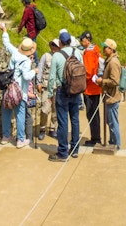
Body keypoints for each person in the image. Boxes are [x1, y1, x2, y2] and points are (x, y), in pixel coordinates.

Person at [47, 31, 84, 162]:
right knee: (75, 120)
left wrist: (50, 94)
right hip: (76, 90)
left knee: (62, 122)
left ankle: (62, 152)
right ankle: (74, 149)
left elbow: (52, 77)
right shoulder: (77, 53)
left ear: (61, 42)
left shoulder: (57, 55)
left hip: (63, 91)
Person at [0, 23, 36, 148]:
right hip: (19, 90)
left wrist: (4, 30)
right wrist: (34, 71)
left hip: (8, 87)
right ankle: (20, 139)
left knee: (6, 111)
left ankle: (6, 136)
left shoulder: (15, 53)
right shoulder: (26, 61)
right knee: (20, 113)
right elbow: (26, 76)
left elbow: (7, 44)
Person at [96, 38, 122, 150]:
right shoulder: (110, 60)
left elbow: (115, 81)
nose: (103, 49)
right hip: (109, 97)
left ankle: (116, 144)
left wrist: (103, 81)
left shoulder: (113, 62)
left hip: (112, 97)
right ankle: (112, 141)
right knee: (110, 121)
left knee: (112, 122)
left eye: (105, 47)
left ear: (111, 49)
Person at [79, 31, 102, 146]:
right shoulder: (96, 50)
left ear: (87, 40)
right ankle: (96, 136)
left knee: (91, 113)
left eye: (82, 40)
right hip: (96, 87)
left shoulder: (89, 53)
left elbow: (88, 71)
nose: (81, 42)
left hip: (90, 88)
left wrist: (80, 77)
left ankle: (95, 138)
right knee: (95, 113)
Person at [37, 39, 60, 140]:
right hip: (46, 86)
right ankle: (42, 128)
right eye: (53, 45)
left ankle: (52, 128)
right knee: (44, 108)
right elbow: (40, 69)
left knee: (55, 108)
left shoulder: (60, 57)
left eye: (56, 45)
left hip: (57, 86)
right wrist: (38, 83)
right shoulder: (45, 56)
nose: (54, 47)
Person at [18, 0, 39, 65]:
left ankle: (36, 62)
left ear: (24, 2)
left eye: (22, 2)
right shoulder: (32, 7)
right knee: (32, 43)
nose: (22, 3)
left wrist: (19, 29)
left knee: (32, 46)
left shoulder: (27, 10)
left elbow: (23, 21)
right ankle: (33, 59)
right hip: (35, 29)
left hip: (31, 30)